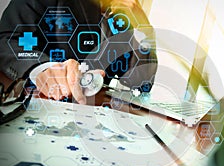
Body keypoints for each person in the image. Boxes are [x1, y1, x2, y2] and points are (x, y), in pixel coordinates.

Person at [0, 0, 157, 105]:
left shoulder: (122, 18)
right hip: (39, 104)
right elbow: (7, 40)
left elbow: (142, 81)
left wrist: (142, 26)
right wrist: (43, 67)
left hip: (94, 115)